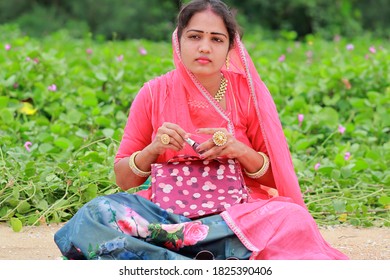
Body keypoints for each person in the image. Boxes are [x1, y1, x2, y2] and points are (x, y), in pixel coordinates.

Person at [54, 0, 348, 260]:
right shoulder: (154, 93)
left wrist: (240, 151)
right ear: (178, 41)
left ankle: (174, 256)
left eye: (216, 39)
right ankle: (211, 256)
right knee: (95, 215)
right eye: (194, 36)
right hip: (164, 215)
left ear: (230, 47)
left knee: (292, 217)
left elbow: (276, 176)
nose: (204, 47)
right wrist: (154, 149)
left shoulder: (247, 94)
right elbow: (123, 179)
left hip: (235, 215)